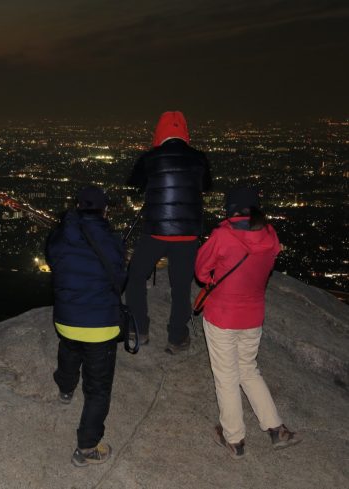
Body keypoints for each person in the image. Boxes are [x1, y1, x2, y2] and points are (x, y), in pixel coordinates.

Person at [195, 187, 301, 459]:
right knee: (248, 369)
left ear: (230, 209)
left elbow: (201, 271)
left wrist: (214, 281)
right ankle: (276, 429)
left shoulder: (223, 235)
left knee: (226, 376)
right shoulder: (270, 234)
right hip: (253, 316)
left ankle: (234, 438)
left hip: (222, 315)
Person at [45, 186, 126, 466]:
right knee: (98, 388)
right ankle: (87, 447)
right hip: (100, 327)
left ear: (78, 206)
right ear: (105, 210)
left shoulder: (60, 235)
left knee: (69, 350)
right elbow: (120, 277)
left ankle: (65, 389)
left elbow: (52, 261)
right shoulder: (111, 239)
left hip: (66, 319)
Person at [125, 111, 211, 353]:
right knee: (181, 286)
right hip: (188, 233)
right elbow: (206, 185)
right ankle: (177, 337)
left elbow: (134, 182)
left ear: (159, 131)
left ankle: (139, 329)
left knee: (135, 276)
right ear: (185, 131)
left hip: (156, 230)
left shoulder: (150, 157)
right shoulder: (199, 158)